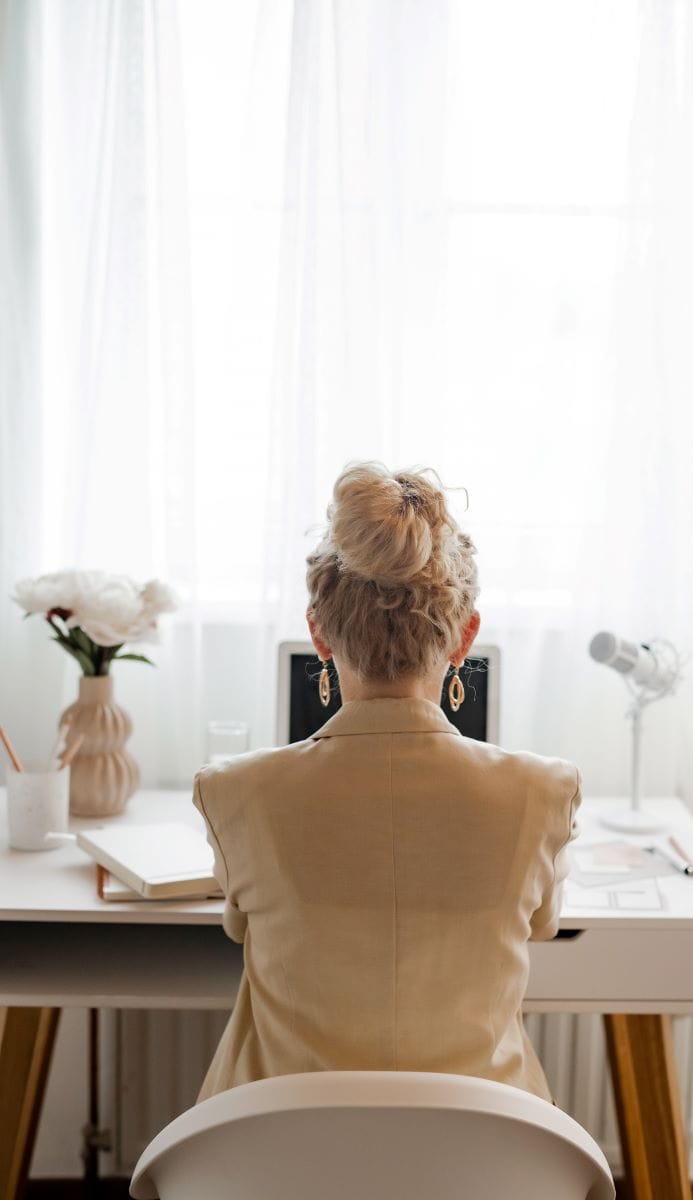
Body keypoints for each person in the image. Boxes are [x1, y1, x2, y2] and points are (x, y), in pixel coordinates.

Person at [193, 462, 580, 1103]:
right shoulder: (543, 792)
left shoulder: (234, 791)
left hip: (280, 1166)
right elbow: (541, 924)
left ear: (318, 629)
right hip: (485, 1165)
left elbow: (239, 927)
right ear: (464, 637)